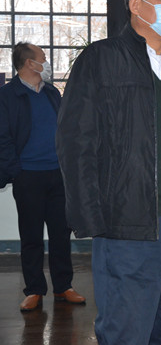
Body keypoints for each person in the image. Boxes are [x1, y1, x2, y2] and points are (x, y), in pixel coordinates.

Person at [56, 0, 161, 345]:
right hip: (127, 222)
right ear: (136, 5)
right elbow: (75, 142)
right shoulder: (100, 59)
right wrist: (90, 217)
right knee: (126, 329)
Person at [0, 43, 85, 312]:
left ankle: (63, 286)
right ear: (29, 63)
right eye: (43, 58)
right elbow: (3, 138)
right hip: (28, 177)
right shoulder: (7, 95)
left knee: (61, 234)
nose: (46, 62)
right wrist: (16, 171)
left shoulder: (51, 92)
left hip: (58, 175)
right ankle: (34, 290)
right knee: (31, 236)